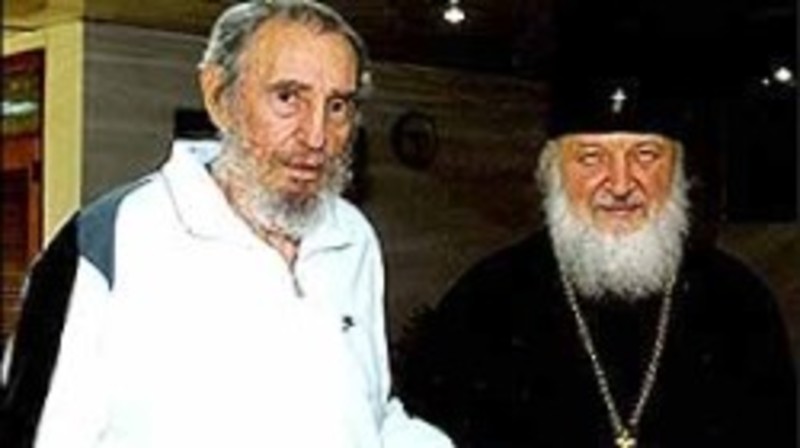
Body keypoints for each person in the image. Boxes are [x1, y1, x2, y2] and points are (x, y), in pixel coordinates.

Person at [0, 2, 453, 447]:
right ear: (219, 97)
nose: (316, 136)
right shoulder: (106, 241)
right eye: (287, 98)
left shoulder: (353, 237)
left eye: (337, 106)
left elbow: (366, 412)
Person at [397, 76, 797, 447]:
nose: (620, 184)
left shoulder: (739, 303)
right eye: (591, 157)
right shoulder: (484, 303)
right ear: (552, 171)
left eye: (646, 155)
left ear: (677, 169)